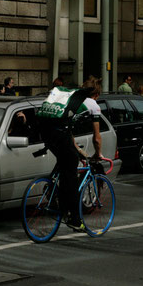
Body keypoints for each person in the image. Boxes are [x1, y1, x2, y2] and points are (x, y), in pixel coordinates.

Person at [36, 75, 103, 232]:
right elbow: (97, 138)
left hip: (45, 132)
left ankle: (53, 189)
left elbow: (68, 128)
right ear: (97, 94)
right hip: (60, 134)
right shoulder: (93, 105)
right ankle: (74, 219)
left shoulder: (71, 99)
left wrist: (79, 151)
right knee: (71, 174)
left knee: (66, 159)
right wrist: (97, 153)